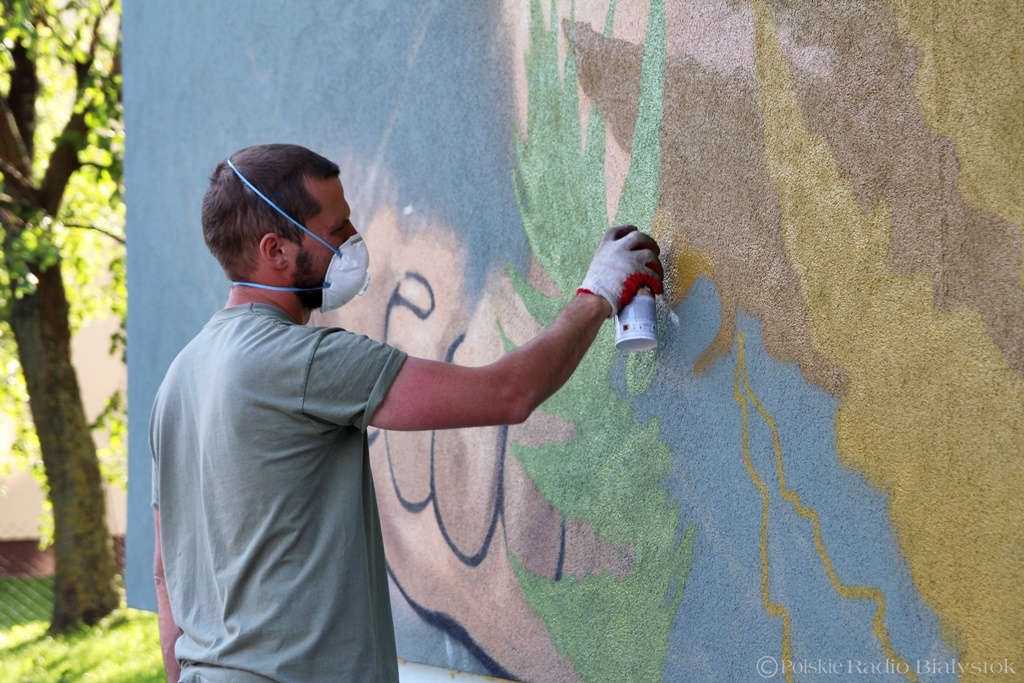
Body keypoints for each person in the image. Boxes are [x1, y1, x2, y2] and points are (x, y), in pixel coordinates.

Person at [151, 143, 663, 683]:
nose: (353, 239)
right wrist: (598, 292)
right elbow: (508, 393)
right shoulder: (301, 361)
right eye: (337, 227)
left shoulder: (178, 380)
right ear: (275, 250)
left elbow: (165, 573)